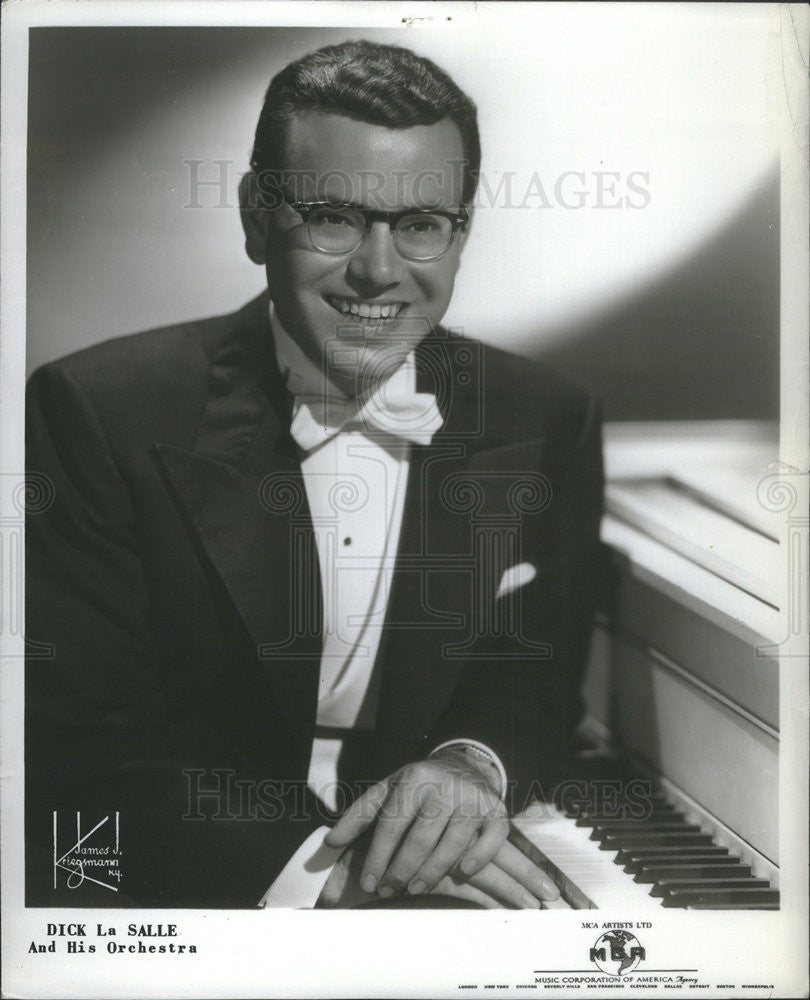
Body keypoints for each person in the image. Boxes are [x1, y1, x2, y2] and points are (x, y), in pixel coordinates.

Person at [25, 40, 603, 909]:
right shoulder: (95, 410)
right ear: (259, 216)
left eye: (420, 225)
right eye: (334, 217)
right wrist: (322, 878)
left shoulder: (544, 415)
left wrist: (466, 767)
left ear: (460, 233)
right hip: (193, 874)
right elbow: (91, 738)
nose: (379, 270)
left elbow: (534, 676)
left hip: (439, 867)